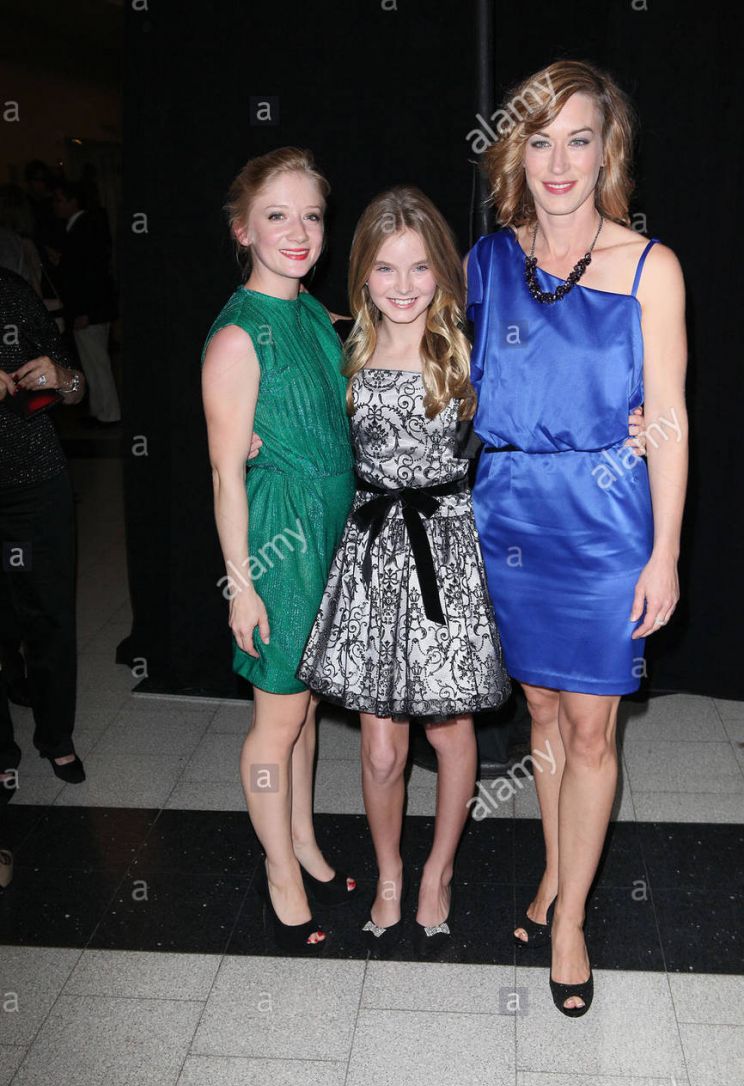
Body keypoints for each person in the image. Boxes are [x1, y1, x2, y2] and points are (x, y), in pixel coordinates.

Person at [467, 60, 688, 1014]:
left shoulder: (649, 267)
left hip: (604, 521)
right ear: (516, 152)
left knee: (591, 725)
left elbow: (669, 417)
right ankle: (558, 871)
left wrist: (664, 552)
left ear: (608, 152)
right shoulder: (486, 263)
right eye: (539, 140)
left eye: (579, 140)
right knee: (543, 714)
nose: (558, 163)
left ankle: (570, 922)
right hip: (507, 513)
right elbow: (428, 365)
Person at [297, 186, 511, 951]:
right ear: (363, 273)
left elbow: (540, 415)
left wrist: (631, 424)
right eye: (386, 268)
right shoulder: (342, 351)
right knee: (382, 747)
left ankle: (438, 872)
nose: (403, 284)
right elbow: (293, 418)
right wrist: (257, 443)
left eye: (419, 267)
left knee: (450, 733)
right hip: (370, 554)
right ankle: (389, 871)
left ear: (442, 271)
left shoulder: (469, 353)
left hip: (444, 555)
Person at [201, 148, 359, 953]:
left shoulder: (316, 317)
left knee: (307, 707)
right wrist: (243, 585)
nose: (298, 232)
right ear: (243, 230)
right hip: (280, 540)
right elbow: (225, 475)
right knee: (277, 718)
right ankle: (278, 872)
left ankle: (302, 839)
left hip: (330, 529)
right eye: (276, 216)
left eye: (311, 216)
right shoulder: (238, 337)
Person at [0, 267, 87, 789]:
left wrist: (61, 376)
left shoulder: (12, 292)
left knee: (49, 616)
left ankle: (56, 737)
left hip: (37, 480)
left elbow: (77, 387)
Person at [51, 180, 120, 424]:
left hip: (90, 310)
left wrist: (86, 313)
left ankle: (109, 413)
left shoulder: (84, 228)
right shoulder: (83, 227)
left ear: (73, 201)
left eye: (59, 200)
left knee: (97, 362)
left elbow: (89, 276)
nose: (56, 205)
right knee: (93, 363)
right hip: (91, 309)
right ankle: (101, 411)